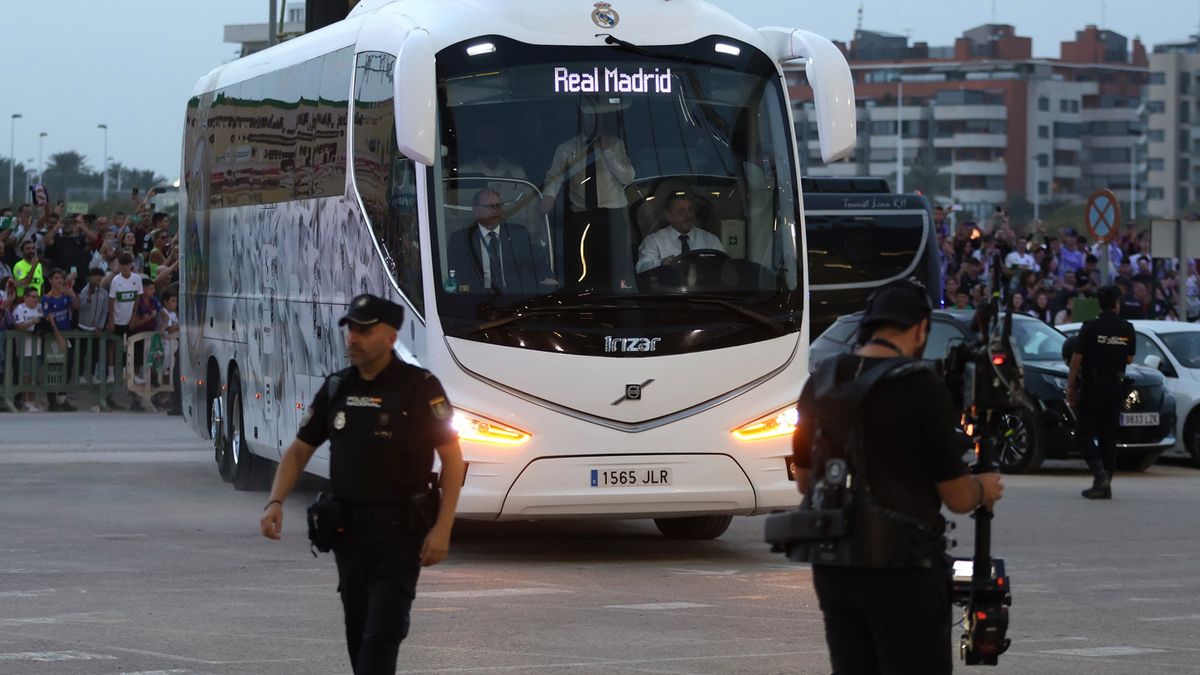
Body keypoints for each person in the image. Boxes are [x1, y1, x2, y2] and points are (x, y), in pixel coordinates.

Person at [792, 280, 1004, 673]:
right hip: (903, 569)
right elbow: (957, 497)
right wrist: (983, 488)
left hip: (834, 567)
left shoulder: (821, 379)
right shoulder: (921, 386)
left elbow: (805, 480)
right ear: (920, 329)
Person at [260, 294, 465, 675]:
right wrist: (275, 502)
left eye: (364, 330)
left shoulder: (419, 387)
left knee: (381, 637)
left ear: (389, 336)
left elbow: (453, 458)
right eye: (350, 328)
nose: (353, 338)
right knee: (358, 635)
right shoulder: (338, 387)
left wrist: (443, 529)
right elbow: (299, 451)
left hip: (400, 535)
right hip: (348, 533)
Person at [1067, 285, 1135, 500]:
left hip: (1093, 386)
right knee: (1108, 436)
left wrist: (1070, 386)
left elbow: (1076, 358)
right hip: (1116, 387)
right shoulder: (1127, 328)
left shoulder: (1090, 327)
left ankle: (1100, 475)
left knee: (1083, 435)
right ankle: (1105, 484)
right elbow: (1129, 359)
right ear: (1117, 303)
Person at [445, 189, 557, 294]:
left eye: (498, 206)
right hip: (477, 299)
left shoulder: (519, 234)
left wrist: (548, 278)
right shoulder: (460, 239)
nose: (495, 210)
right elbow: (452, 276)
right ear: (476, 210)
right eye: (490, 206)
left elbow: (538, 261)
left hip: (514, 297)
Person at [635, 194, 725, 274]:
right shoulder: (654, 241)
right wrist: (661, 263)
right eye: (682, 211)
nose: (688, 215)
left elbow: (725, 267)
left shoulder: (710, 240)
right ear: (669, 215)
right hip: (667, 290)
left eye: (691, 210)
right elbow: (641, 268)